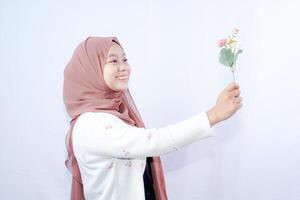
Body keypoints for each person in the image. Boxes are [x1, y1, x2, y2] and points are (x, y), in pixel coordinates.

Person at [63, 36, 243, 200]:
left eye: (125, 59)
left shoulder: (118, 115)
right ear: (90, 69)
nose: (123, 67)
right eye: (113, 61)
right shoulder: (91, 125)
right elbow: (152, 141)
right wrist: (214, 115)